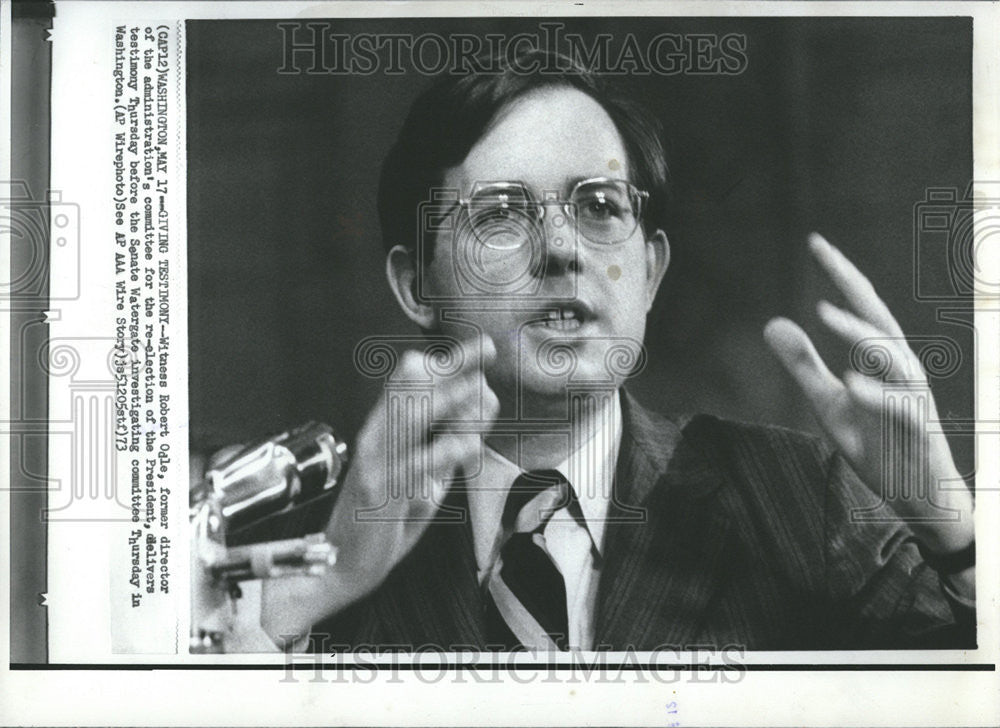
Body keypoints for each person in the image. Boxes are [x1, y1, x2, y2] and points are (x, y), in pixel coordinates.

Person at [252, 49, 975, 652]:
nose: (564, 249)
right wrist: (322, 584)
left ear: (652, 271)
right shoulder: (303, 535)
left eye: (600, 207)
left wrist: (949, 527)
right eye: (503, 213)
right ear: (417, 286)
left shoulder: (794, 498)